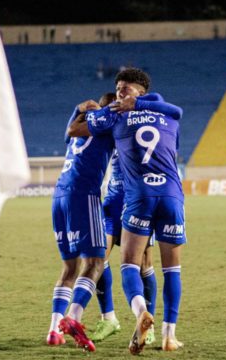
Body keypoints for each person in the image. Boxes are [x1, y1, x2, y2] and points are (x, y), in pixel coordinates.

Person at [80, 68, 186, 354]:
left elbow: (86, 124)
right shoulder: (167, 114)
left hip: (139, 195)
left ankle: (141, 313)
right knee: (171, 269)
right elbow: (176, 116)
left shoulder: (116, 115)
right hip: (171, 194)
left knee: (130, 263)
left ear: (141, 91)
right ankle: (168, 336)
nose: (119, 92)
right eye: (117, 87)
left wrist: (87, 110)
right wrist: (139, 104)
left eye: (125, 88)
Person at [46, 93, 116, 352]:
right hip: (83, 195)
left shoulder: (80, 126)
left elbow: (68, 133)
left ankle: (54, 331)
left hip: (59, 196)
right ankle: (73, 318)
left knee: (70, 268)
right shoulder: (109, 122)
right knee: (96, 262)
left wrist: (77, 109)